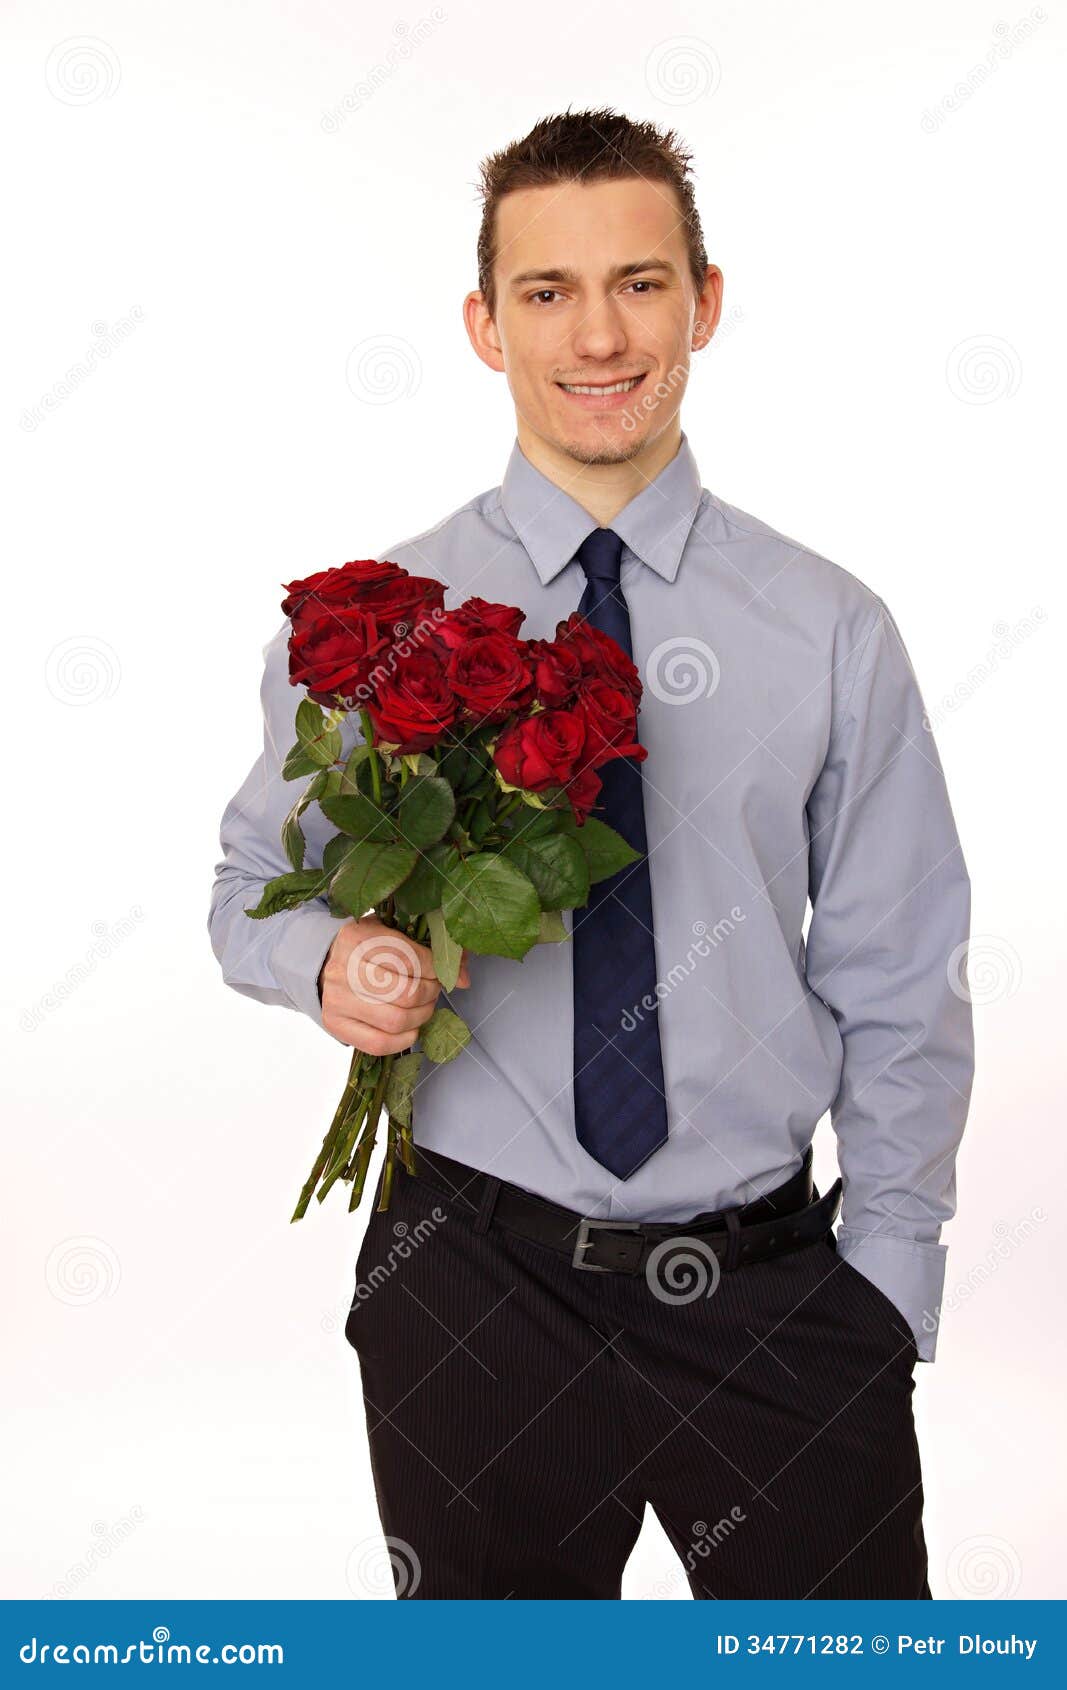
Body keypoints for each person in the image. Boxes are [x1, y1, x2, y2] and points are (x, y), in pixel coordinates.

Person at [208, 108, 974, 1599]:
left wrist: (886, 1283)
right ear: (486, 326)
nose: (600, 333)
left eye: (639, 281)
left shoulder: (830, 626)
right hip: (474, 1292)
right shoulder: (385, 617)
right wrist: (330, 959)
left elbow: (899, 970)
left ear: (705, 300)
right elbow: (250, 886)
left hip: (774, 1293)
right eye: (548, 292)